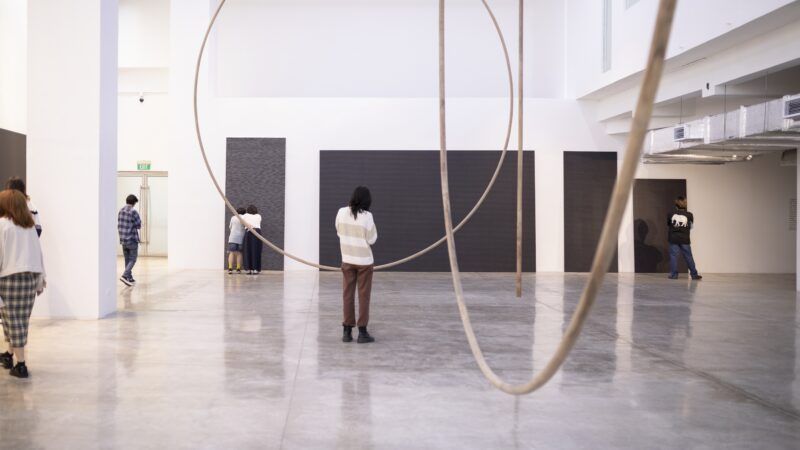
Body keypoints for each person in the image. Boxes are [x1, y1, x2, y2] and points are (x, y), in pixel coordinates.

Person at [0, 189, 46, 378]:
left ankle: (21, 365)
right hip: (29, 280)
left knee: (12, 321)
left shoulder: (2, 225)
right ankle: (9, 355)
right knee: (18, 321)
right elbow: (39, 255)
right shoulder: (29, 227)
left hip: (9, 279)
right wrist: (41, 279)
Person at [335, 186, 377, 344]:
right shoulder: (367, 216)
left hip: (347, 259)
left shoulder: (341, 212)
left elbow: (338, 232)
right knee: (364, 297)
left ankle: (346, 331)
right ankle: (362, 332)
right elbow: (372, 239)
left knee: (347, 295)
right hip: (364, 262)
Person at [667, 196, 702, 280]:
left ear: (676, 204)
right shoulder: (689, 215)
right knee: (688, 256)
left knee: (674, 256)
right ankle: (694, 274)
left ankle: (674, 275)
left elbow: (669, 225)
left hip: (673, 238)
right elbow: (691, 226)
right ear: (685, 204)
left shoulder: (670, 214)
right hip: (685, 238)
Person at [118, 194, 142, 286]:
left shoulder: (121, 211)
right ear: (134, 203)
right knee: (133, 259)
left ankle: (129, 278)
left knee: (127, 260)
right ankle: (125, 275)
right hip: (131, 239)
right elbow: (138, 225)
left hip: (123, 239)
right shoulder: (133, 212)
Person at [242, 205, 263, 275]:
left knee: (247, 250)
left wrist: (249, 225)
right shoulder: (259, 216)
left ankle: (248, 269)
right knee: (256, 251)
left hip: (248, 232)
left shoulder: (245, 215)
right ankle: (256, 269)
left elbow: (242, 221)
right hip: (257, 232)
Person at [227, 207, 247, 274]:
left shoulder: (233, 218)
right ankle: (238, 268)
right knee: (239, 253)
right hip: (241, 238)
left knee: (231, 253)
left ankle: (230, 268)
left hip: (232, 238)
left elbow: (230, 227)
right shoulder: (244, 218)